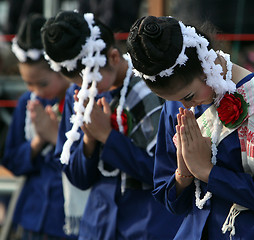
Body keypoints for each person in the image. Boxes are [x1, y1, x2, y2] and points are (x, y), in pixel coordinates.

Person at [126, 15, 254, 240]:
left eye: (189, 96)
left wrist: (208, 172)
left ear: (206, 66)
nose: (184, 106)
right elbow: (171, 202)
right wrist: (184, 172)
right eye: (173, 100)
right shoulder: (176, 107)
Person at [41, 11, 184, 240]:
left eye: (91, 81)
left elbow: (165, 171)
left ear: (114, 58)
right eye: (78, 84)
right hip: (98, 224)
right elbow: (77, 178)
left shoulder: (150, 89)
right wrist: (89, 140)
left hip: (148, 224)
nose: (87, 91)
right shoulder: (76, 95)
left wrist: (108, 136)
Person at [2, 14, 75, 239]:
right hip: (32, 214)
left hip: (66, 218)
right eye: (28, 83)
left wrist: (55, 137)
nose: (36, 90)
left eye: (42, 83)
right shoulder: (28, 102)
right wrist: (37, 142)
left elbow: (90, 165)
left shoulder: (80, 101)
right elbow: (11, 160)